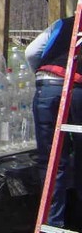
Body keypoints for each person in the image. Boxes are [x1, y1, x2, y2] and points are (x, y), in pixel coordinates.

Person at [25, 16, 82, 229]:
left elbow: (31, 52)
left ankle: (52, 223)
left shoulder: (65, 23)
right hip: (79, 90)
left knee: (53, 160)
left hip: (48, 86)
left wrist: (43, 75)